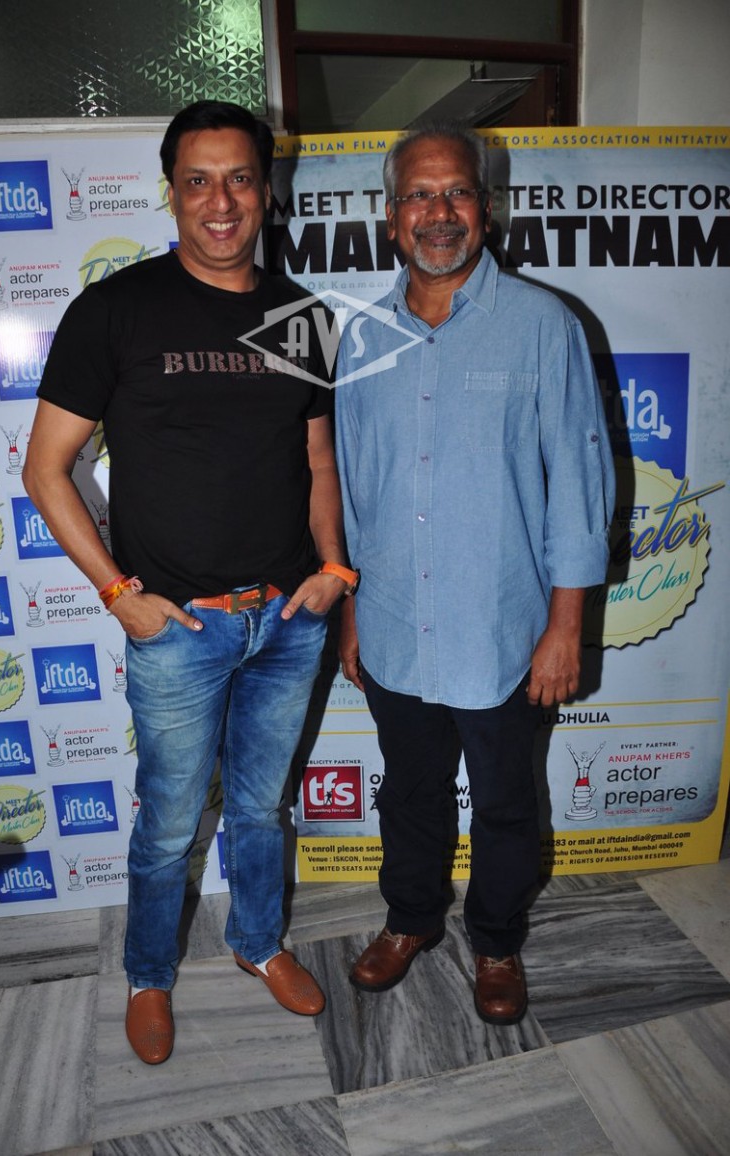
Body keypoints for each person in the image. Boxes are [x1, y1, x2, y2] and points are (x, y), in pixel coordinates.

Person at [23, 100, 358, 1064]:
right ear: (170, 192)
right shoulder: (114, 309)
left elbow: (319, 461)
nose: (222, 201)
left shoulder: (302, 317)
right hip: (178, 632)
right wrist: (117, 593)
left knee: (259, 808)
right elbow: (45, 469)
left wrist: (333, 570)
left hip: (287, 620)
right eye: (199, 180)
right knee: (169, 826)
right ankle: (148, 973)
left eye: (240, 178)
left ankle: (258, 942)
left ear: (266, 190)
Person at [335, 123, 614, 1025]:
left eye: (456, 191)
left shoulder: (542, 326)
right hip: (392, 624)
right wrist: (351, 611)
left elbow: (579, 485)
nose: (439, 212)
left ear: (485, 210)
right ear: (391, 217)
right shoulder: (362, 337)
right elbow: (352, 490)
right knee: (409, 792)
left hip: (504, 633)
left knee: (504, 803)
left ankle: (495, 940)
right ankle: (411, 918)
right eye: (419, 195)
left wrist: (566, 626)